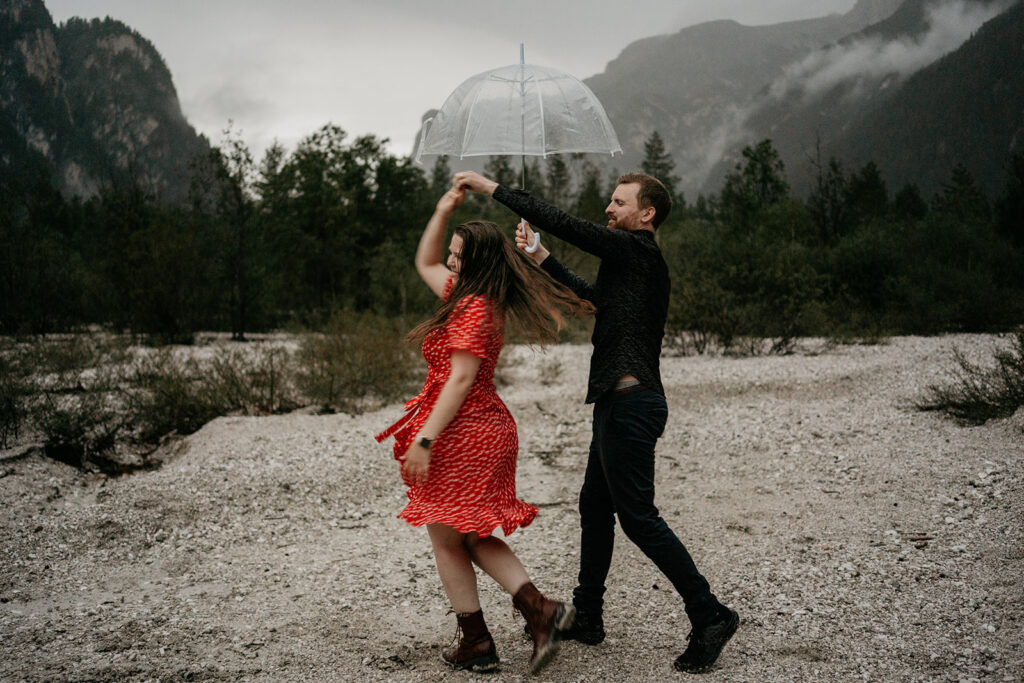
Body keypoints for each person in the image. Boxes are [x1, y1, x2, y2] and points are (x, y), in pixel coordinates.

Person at [454, 170, 739, 674]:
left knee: (639, 518)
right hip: (616, 402)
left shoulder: (637, 250)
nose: (609, 208)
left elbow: (568, 223)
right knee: (594, 506)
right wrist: (541, 256)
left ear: (646, 213)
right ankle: (588, 615)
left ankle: (710, 614)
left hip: (632, 403)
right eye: (610, 200)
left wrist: (493, 188)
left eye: (619, 202)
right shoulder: (632, 264)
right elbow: (596, 300)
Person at [375, 185, 594, 675]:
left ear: (479, 261)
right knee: (470, 537)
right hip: (479, 428)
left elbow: (461, 378)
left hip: (466, 431)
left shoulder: (473, 307)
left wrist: (425, 440)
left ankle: (478, 640)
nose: (451, 262)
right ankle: (537, 612)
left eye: (459, 255)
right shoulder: (469, 296)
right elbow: (425, 262)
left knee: (446, 539)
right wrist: (442, 210)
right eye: (453, 254)